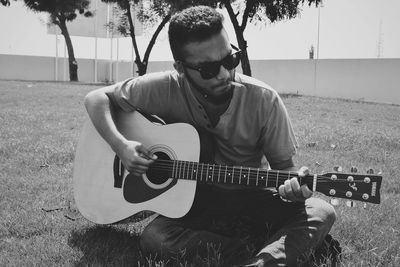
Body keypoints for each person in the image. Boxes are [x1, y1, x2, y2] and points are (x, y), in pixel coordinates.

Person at [84, 5, 336, 266]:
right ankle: (269, 245)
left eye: (230, 60)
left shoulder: (264, 100)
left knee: (321, 211)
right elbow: (96, 98)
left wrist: (293, 189)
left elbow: (285, 169)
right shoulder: (163, 87)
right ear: (180, 67)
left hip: (251, 198)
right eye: (208, 69)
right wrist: (121, 145)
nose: (224, 74)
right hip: (193, 202)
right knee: (156, 238)